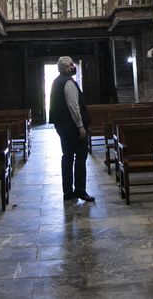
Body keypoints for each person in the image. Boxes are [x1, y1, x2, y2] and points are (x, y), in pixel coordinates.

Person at [48, 55, 95, 202]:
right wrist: (81, 127)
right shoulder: (68, 82)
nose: (72, 67)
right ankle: (80, 190)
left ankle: (68, 192)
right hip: (72, 128)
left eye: (72, 64)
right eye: (69, 66)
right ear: (63, 68)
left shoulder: (57, 81)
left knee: (67, 158)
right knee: (80, 158)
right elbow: (73, 107)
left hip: (63, 127)